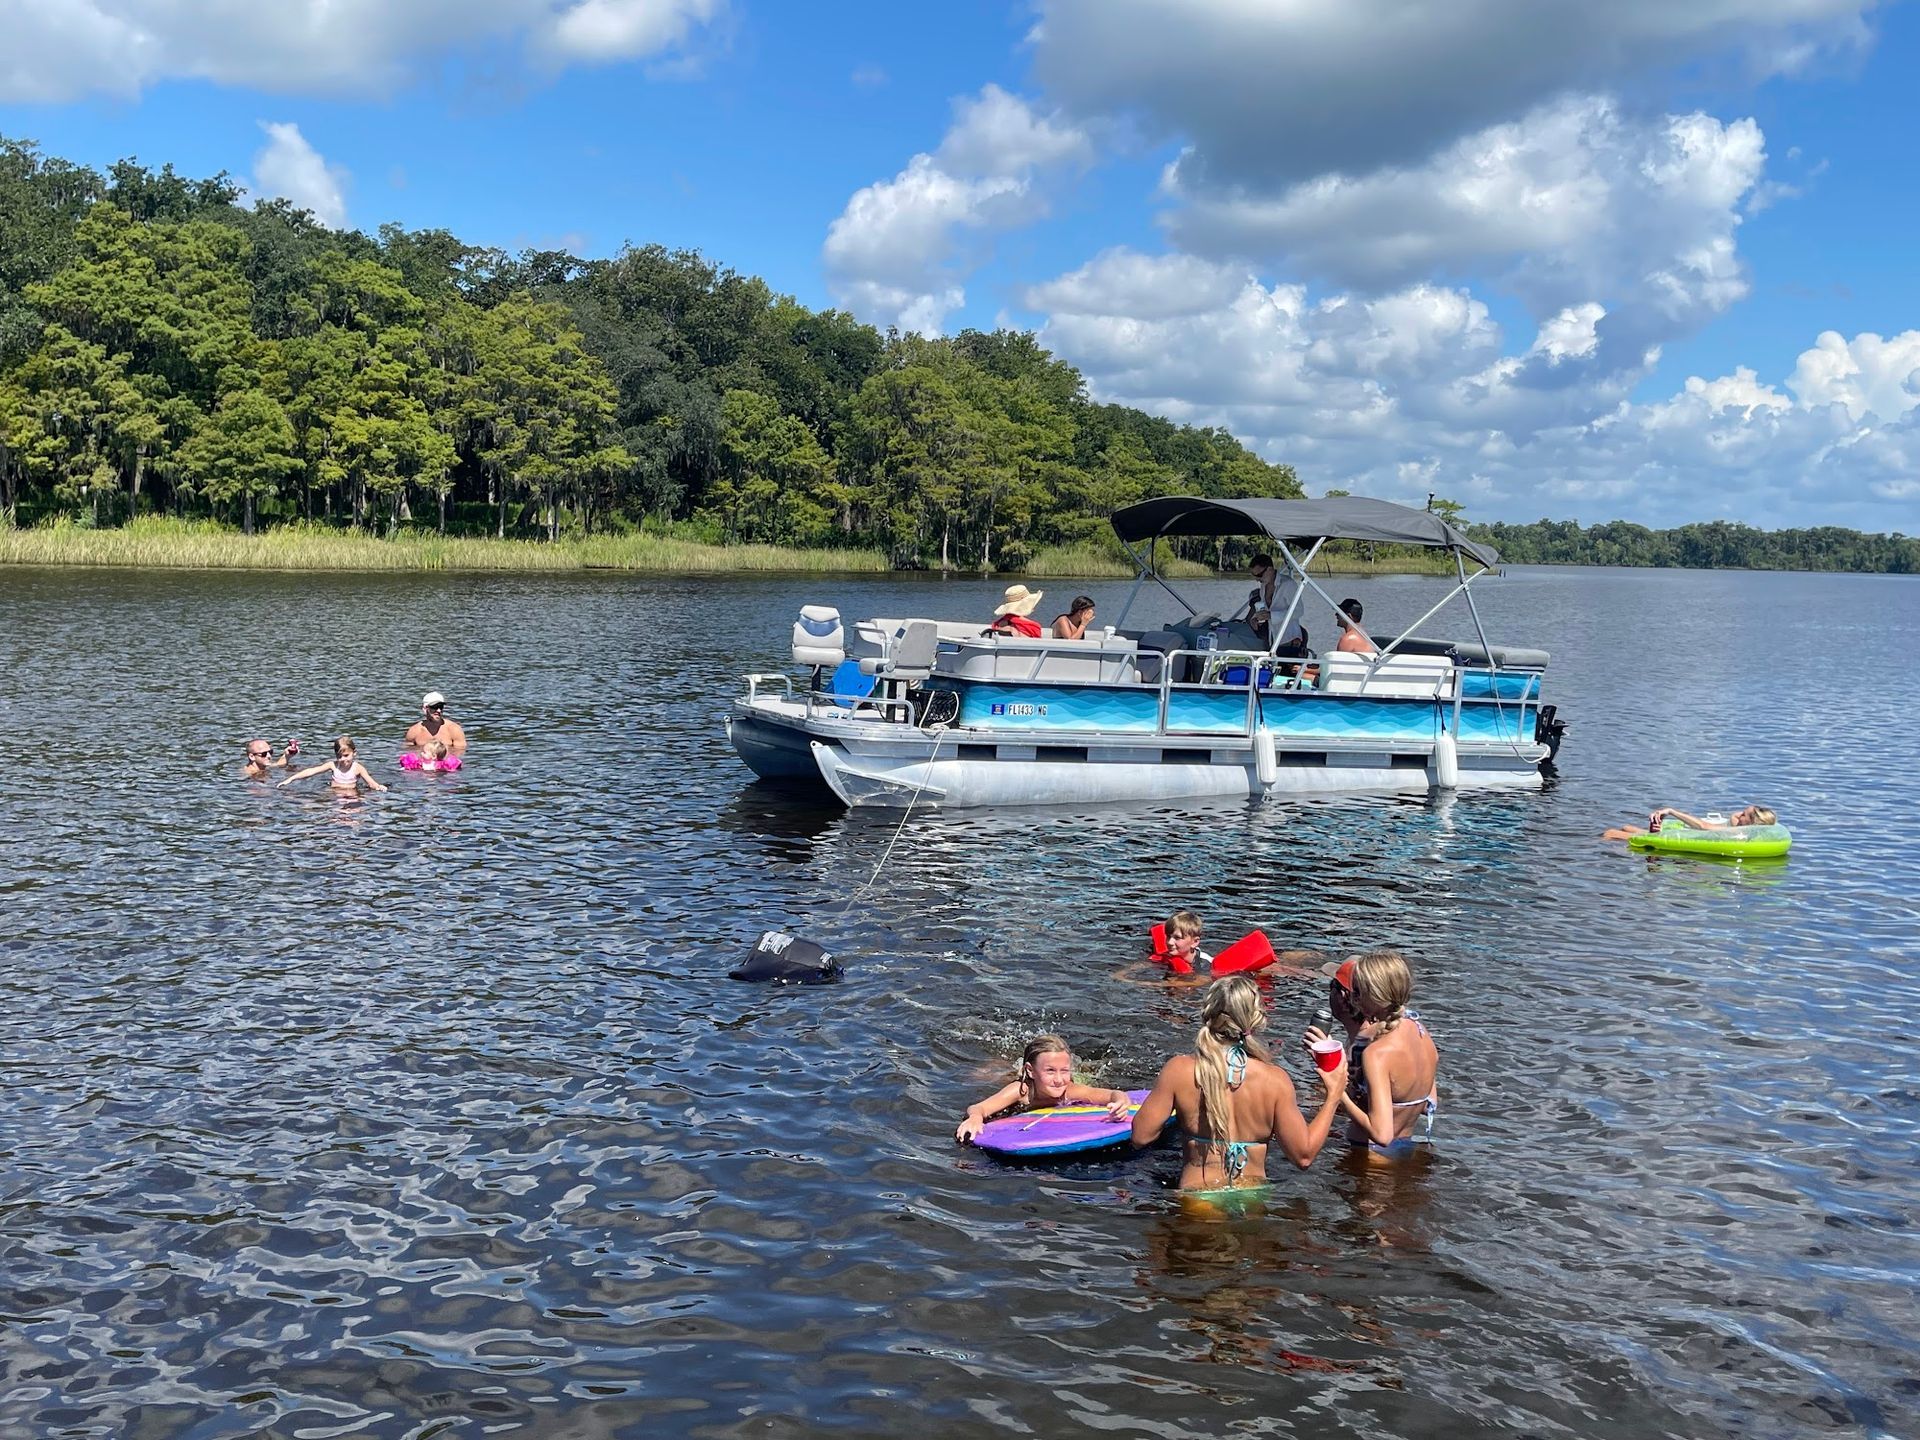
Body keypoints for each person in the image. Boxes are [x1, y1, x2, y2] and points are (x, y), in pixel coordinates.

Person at [1131, 975, 1346, 1190]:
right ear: (1255, 1019)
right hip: (1251, 1195)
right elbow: (1303, 1157)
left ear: (1208, 1013)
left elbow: (1141, 1137)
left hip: (1198, 1196)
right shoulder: (1275, 1080)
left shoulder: (1179, 1070)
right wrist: (1333, 1097)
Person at [1310, 953, 1439, 1157]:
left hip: (1368, 1156)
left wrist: (1336, 1091)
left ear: (1376, 995)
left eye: (1359, 992)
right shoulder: (1421, 1031)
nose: (1354, 999)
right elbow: (1428, 1103)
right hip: (1406, 1148)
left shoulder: (1376, 1053)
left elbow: (1382, 1135)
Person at [956, 1034, 1131, 1142]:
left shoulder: (1069, 1089)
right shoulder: (1021, 1091)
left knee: (1089, 1075)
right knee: (990, 1075)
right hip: (1024, 1083)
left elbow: (1113, 1094)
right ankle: (999, 1064)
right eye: (1050, 1071)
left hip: (1074, 1082)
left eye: (1064, 1071)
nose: (1058, 1080)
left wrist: (1121, 1102)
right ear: (1031, 1071)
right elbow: (979, 1108)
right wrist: (975, 1118)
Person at [1602, 803, 1776, 840]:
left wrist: (1671, 811)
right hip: (1690, 834)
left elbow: (1703, 826)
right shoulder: (1736, 826)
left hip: (1686, 838)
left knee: (1610, 833)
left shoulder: (1737, 833)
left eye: (1744, 815)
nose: (1739, 814)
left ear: (1751, 823)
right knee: (1626, 827)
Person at [282, 736, 388, 794]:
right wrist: (291, 778)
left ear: (354, 753)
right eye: (339, 756)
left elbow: (371, 783)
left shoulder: (358, 768)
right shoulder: (333, 765)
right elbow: (312, 771)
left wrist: (379, 787)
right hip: (334, 793)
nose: (342, 759)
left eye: (346, 755)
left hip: (351, 794)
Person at [1248, 554, 1307, 656]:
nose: (1257, 579)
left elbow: (1299, 611)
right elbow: (1264, 610)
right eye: (1254, 576)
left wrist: (1271, 615)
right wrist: (1256, 618)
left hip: (1290, 639)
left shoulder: (1288, 584)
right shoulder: (1263, 586)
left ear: (1270, 569)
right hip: (1273, 639)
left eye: (1259, 575)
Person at [404, 692, 468, 756]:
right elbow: (409, 754)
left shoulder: (454, 729)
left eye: (441, 707)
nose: (439, 710)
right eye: (435, 707)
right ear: (425, 708)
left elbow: (460, 753)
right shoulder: (414, 731)